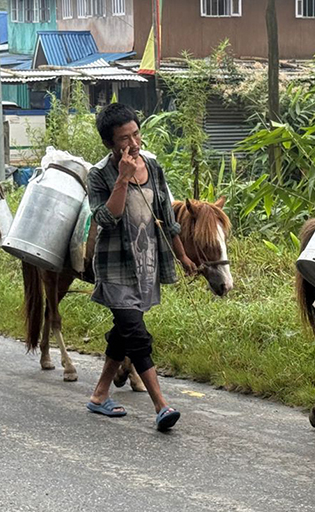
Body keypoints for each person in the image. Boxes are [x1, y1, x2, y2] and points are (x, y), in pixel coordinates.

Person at [85, 103, 198, 431]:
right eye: (124, 139)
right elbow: (107, 219)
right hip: (116, 268)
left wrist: (183, 257)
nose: (133, 143)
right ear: (110, 144)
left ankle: (99, 395)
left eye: (136, 134)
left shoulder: (153, 166)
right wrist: (121, 178)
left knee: (124, 332)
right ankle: (161, 406)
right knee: (136, 333)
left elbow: (167, 218)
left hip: (147, 264)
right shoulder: (100, 174)